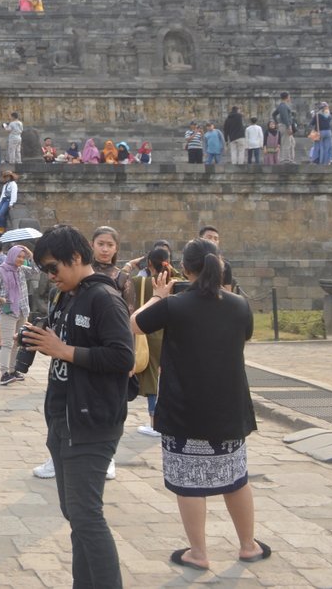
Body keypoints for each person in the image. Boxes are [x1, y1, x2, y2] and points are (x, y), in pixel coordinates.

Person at [134, 238, 267, 571]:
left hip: (185, 409)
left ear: (182, 268)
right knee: (237, 478)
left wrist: (158, 296)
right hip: (229, 408)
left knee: (189, 483)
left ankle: (199, 552)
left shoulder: (175, 305)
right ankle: (248, 545)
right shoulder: (239, 305)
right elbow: (244, 336)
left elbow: (134, 324)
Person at [23, 224, 133, 589]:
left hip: (92, 422)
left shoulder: (104, 298)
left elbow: (122, 357)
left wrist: (63, 350)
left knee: (87, 516)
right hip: (63, 419)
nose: (50, 277)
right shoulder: (67, 296)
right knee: (75, 515)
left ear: (75, 258)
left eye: (53, 268)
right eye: (45, 271)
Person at [132, 244, 181, 438]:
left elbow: (120, 280)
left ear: (149, 264)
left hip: (148, 334)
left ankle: (154, 421)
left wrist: (130, 266)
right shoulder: (176, 283)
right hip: (172, 334)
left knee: (152, 380)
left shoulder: (138, 283)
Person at [0, 245, 39, 385]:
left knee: (18, 341)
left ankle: (12, 370)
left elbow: (36, 271)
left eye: (23, 257)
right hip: (8, 311)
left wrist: (30, 254)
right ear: (11, 256)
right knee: (7, 343)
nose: (21, 260)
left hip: (22, 310)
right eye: (19, 256)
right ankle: (4, 373)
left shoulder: (21, 270)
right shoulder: (0, 272)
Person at [90, 225, 134, 308]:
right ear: (92, 245)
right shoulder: (82, 273)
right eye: (100, 244)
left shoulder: (123, 278)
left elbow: (129, 311)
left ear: (116, 248)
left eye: (110, 245)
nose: (105, 249)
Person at [271, 92, 297, 163]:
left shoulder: (281, 106)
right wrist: (289, 127)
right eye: (289, 97)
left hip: (284, 125)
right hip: (285, 126)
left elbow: (274, 114)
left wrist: (276, 123)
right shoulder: (283, 106)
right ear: (287, 97)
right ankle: (285, 159)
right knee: (286, 143)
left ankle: (290, 159)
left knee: (291, 142)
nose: (290, 98)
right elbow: (285, 117)